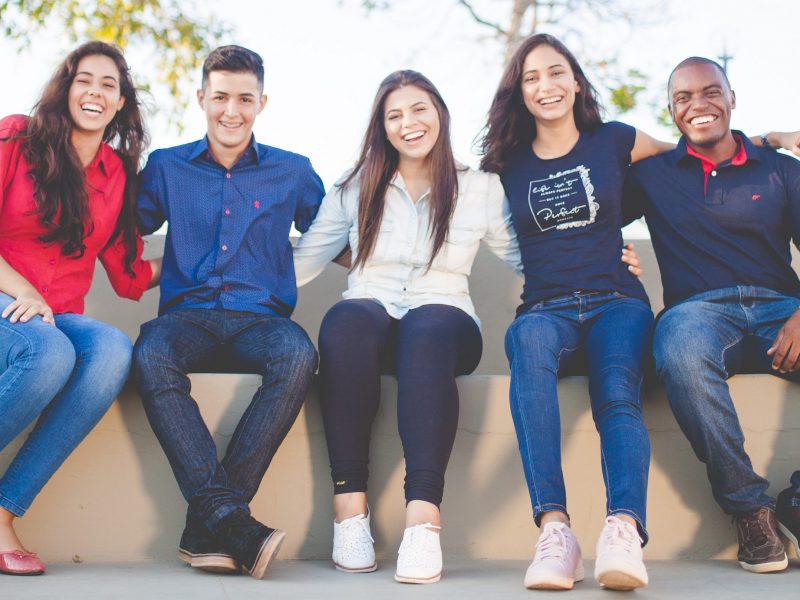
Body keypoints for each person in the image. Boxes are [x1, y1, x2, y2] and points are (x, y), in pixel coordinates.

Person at [292, 70, 527, 584]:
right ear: (383, 127)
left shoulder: (480, 188)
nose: (409, 123)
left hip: (446, 319)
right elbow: (302, 262)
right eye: (394, 115)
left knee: (427, 328)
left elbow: (525, 256)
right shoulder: (355, 188)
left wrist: (600, 263)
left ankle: (423, 520)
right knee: (346, 320)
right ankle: (350, 513)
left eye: (419, 109)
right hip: (371, 315)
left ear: (439, 112)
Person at [133, 45, 324, 580]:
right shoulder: (167, 166)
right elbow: (120, 229)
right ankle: (233, 522)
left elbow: (341, 232)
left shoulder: (293, 171)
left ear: (263, 102)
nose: (231, 111)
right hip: (185, 317)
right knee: (150, 354)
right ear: (201, 98)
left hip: (261, 320)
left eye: (245, 98)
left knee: (298, 354)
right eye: (220, 97)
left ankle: (212, 524)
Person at [624, 56, 800, 574]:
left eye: (710, 92)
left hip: (780, 309)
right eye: (683, 98)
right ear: (671, 112)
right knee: (676, 348)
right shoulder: (651, 175)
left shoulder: (782, 170)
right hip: (697, 313)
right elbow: (587, 205)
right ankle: (750, 512)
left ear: (731, 98)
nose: (698, 105)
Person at [0, 41, 158, 576]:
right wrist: (21, 289)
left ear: (120, 103)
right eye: (83, 79)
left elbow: (128, 271)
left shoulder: (117, 174)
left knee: (112, 350)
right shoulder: (16, 136)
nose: (94, 92)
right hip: (7, 296)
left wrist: (210, 262)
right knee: (48, 355)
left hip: (56, 313)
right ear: (66, 88)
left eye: (108, 85)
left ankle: (2, 509)